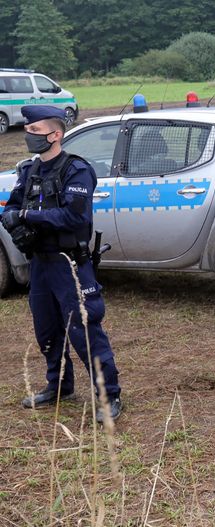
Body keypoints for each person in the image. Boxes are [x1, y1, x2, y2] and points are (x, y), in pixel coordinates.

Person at [1, 105, 122, 423]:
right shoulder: (29, 170)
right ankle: (59, 387)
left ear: (55, 135)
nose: (28, 135)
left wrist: (27, 216)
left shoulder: (76, 170)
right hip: (39, 265)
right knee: (47, 330)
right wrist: (15, 223)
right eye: (28, 130)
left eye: (35, 131)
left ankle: (109, 395)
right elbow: (12, 207)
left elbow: (74, 216)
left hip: (69, 265)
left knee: (84, 331)